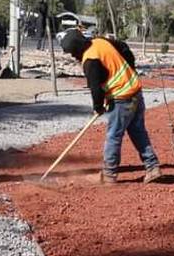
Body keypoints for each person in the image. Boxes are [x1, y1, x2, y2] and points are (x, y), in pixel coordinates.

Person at [60, 29, 162, 184]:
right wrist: (131, 70)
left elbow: (95, 88)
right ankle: (153, 167)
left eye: (73, 53)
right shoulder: (100, 41)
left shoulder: (90, 60)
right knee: (138, 132)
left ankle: (109, 174)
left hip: (121, 98)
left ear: (78, 49)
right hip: (135, 92)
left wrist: (98, 106)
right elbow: (125, 49)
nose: (73, 57)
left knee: (113, 135)